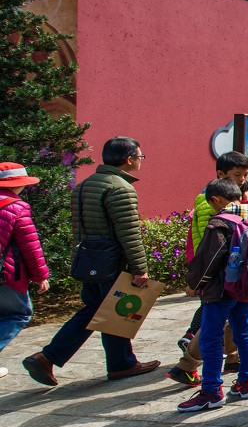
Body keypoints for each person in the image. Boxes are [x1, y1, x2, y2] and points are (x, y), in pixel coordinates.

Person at [24, 137, 159, 386]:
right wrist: (140, 268)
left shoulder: (85, 185)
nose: (141, 161)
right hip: (111, 262)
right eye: (140, 157)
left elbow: (79, 229)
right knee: (106, 310)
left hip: (89, 260)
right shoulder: (120, 188)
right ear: (129, 159)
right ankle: (48, 356)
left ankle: (122, 363)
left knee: (103, 311)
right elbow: (128, 232)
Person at [177, 178, 248, 412]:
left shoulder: (220, 223)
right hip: (246, 287)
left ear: (216, 199)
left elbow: (209, 260)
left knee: (211, 338)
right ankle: (247, 382)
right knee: (243, 331)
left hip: (221, 289)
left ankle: (212, 391)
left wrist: (195, 283)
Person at [0, 163, 49, 377]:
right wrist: (40, 276)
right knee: (17, 315)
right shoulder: (16, 207)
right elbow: (30, 246)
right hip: (6, 276)